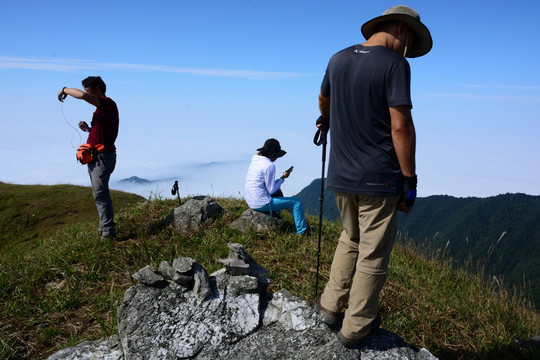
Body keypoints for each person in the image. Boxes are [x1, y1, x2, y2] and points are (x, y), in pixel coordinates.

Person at [315, 5, 432, 347]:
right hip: (378, 177)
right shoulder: (395, 64)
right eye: (410, 39)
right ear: (400, 28)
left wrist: (329, 118)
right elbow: (401, 125)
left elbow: (324, 99)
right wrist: (409, 180)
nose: (408, 47)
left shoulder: (337, 58)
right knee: (373, 252)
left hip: (339, 174)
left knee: (349, 236)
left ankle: (329, 307)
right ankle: (356, 329)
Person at [58, 76, 119, 240]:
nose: (86, 93)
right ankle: (103, 228)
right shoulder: (102, 109)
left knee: (100, 193)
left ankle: (107, 233)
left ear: (97, 90)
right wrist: (89, 130)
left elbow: (82, 96)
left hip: (102, 157)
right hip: (96, 156)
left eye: (88, 90)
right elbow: (103, 133)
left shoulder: (107, 103)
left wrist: (64, 90)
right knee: (98, 193)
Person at [244, 138, 308, 235]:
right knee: (296, 202)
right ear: (272, 155)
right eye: (276, 155)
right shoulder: (269, 165)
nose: (277, 158)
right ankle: (302, 232)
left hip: (250, 201)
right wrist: (283, 178)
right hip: (261, 203)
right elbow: (271, 189)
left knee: (278, 193)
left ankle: (276, 213)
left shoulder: (255, 160)